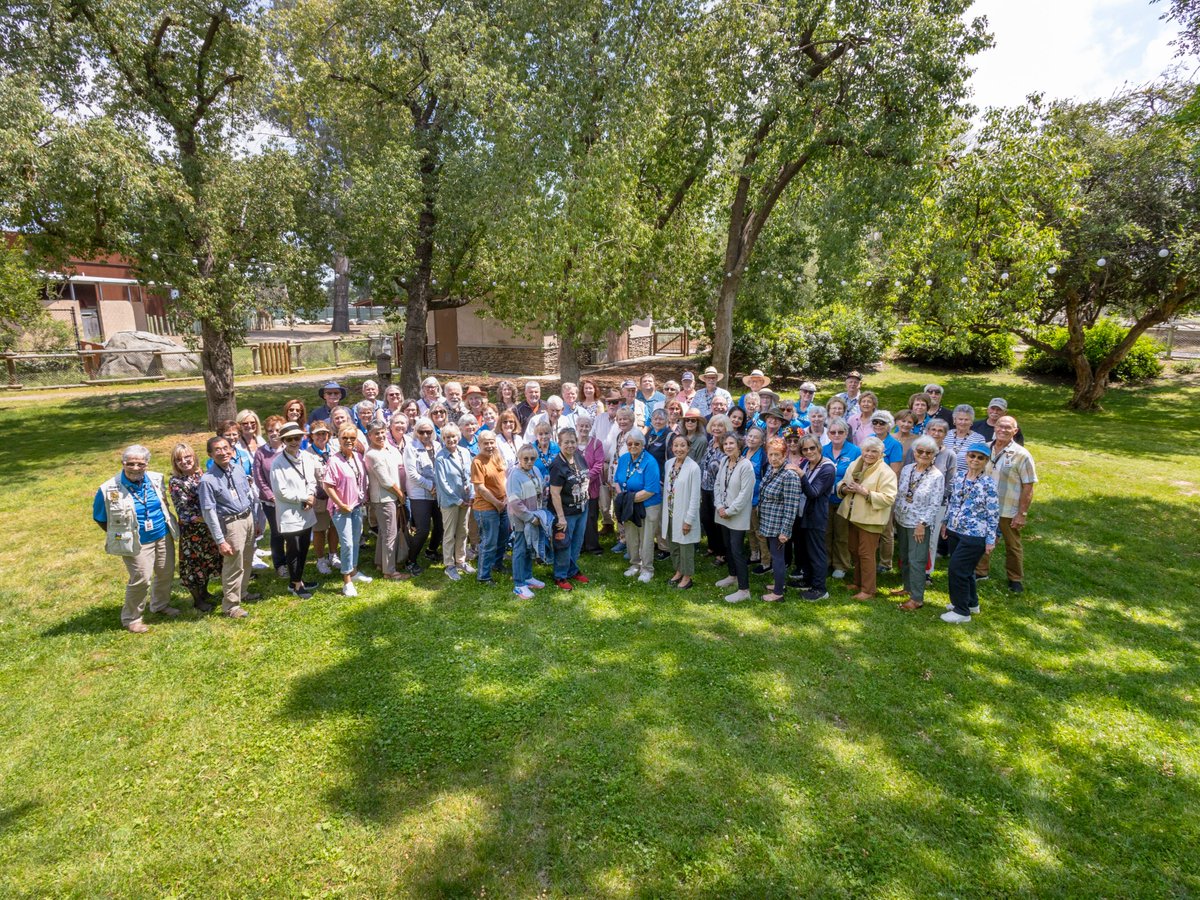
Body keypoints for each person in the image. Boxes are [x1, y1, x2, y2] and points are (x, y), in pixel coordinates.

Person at [95, 445, 180, 633]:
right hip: (136, 540)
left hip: (162, 533)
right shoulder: (108, 488)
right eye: (130, 463)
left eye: (140, 463)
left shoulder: (156, 479)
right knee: (141, 578)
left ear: (147, 464)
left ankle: (160, 605)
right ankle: (132, 618)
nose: (135, 467)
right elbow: (100, 517)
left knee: (166, 572)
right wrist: (120, 534)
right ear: (123, 463)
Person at [198, 435, 260, 619]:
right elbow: (209, 513)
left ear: (232, 450)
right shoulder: (207, 481)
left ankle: (243, 592)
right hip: (230, 524)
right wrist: (220, 540)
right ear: (210, 454)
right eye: (217, 449)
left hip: (247, 518)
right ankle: (231, 606)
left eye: (226, 448)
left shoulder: (238, 469)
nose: (223, 452)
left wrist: (255, 520)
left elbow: (249, 496)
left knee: (247, 559)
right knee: (234, 564)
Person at [978, 415, 1037, 592]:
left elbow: (1028, 486)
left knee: (1013, 545)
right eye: (1000, 426)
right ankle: (981, 571)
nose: (1003, 430)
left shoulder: (1022, 455)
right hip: (984, 506)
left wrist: (1022, 513)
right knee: (982, 539)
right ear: (995, 427)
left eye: (1008, 427)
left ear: (1015, 431)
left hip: (1007, 508)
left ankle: (1015, 578)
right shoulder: (985, 448)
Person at [836, 437, 898, 601]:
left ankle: (869, 590)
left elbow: (889, 498)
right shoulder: (856, 462)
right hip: (853, 515)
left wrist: (865, 492)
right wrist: (844, 488)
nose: (869, 454)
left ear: (881, 453)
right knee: (854, 550)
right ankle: (857, 582)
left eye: (874, 451)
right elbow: (842, 481)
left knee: (866, 554)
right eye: (866, 450)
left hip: (870, 519)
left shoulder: (886, 472)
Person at [942, 447, 1000, 623]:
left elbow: (993, 513)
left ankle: (961, 611)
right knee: (966, 572)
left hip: (975, 534)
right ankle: (971, 603)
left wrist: (990, 540)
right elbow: (952, 502)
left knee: (957, 570)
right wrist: (945, 522)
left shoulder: (988, 484)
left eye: (980, 458)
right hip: (954, 529)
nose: (975, 460)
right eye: (972, 456)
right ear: (966, 457)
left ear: (986, 461)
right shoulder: (959, 477)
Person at [891, 436, 946, 611]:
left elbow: (935, 503)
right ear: (914, 452)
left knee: (917, 560)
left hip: (918, 524)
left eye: (928, 452)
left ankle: (917, 598)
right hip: (902, 519)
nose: (923, 454)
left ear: (934, 455)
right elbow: (901, 493)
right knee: (905, 557)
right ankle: (908, 588)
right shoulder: (907, 469)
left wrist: (922, 524)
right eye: (920, 451)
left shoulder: (936, 476)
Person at [169, 443, 221, 613]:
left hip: (208, 528)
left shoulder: (202, 474)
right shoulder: (176, 481)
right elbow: (184, 511)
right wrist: (209, 518)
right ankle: (197, 600)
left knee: (208, 560)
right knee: (193, 565)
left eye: (187, 457)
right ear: (175, 463)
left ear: (194, 457)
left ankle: (204, 592)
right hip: (192, 531)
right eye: (179, 459)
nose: (184, 461)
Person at [270, 422, 320, 598]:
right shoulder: (278, 462)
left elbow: (312, 480)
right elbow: (280, 491)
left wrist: (311, 495)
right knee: (294, 548)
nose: (294, 441)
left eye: (297, 438)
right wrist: (303, 498)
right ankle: (296, 585)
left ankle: (297, 579)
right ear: (283, 440)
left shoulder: (307, 457)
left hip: (306, 509)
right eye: (289, 439)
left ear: (302, 438)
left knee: (305, 546)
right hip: (289, 513)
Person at [324, 426, 372, 596]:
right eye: (345, 438)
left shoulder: (358, 457)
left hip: (357, 506)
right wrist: (341, 504)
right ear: (338, 440)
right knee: (347, 544)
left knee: (356, 539)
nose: (349, 441)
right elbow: (327, 486)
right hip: (341, 509)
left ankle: (354, 571)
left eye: (352, 437)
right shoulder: (334, 460)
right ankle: (347, 581)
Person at [756, 438, 803, 603]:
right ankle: (779, 583)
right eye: (771, 454)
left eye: (777, 455)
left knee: (778, 557)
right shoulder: (771, 469)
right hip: (768, 521)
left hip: (779, 524)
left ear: (785, 455)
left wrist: (785, 530)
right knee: (776, 555)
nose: (774, 458)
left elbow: (791, 506)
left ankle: (778, 593)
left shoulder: (789, 475)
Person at [362, 420, 409, 582]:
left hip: (388, 497)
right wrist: (400, 495)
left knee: (384, 532)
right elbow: (386, 481)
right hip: (385, 498)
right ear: (369, 436)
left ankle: (380, 563)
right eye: (376, 433)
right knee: (390, 534)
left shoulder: (385, 449)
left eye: (382, 432)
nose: (381, 436)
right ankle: (390, 571)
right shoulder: (372, 454)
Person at [614, 430, 662, 583]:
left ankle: (647, 569)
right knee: (631, 535)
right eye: (630, 443)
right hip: (630, 504)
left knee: (646, 537)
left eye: (637, 444)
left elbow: (650, 490)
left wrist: (628, 499)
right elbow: (617, 481)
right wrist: (623, 498)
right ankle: (635, 564)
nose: (633, 446)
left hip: (648, 505)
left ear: (643, 445)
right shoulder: (623, 459)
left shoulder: (650, 461)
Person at [714, 433, 755, 603]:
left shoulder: (746, 466)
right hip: (723, 511)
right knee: (728, 547)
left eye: (732, 443)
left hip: (736, 514)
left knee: (737, 550)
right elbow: (717, 484)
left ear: (739, 445)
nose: (728, 446)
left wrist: (729, 510)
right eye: (726, 444)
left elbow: (745, 494)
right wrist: (719, 506)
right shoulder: (724, 461)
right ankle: (733, 575)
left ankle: (744, 589)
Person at [548, 426, 590, 590]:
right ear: (559, 443)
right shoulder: (557, 465)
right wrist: (561, 517)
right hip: (565, 512)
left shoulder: (578, 456)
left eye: (573, 441)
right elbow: (555, 494)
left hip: (582, 508)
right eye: (566, 442)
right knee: (563, 544)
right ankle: (560, 576)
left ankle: (572, 570)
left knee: (577, 543)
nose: (570, 445)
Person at [795, 435, 836, 601]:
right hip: (802, 513)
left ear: (819, 447)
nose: (809, 452)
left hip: (816, 516)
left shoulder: (827, 468)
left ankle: (820, 589)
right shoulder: (805, 463)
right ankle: (807, 580)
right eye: (805, 449)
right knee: (804, 550)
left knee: (816, 552)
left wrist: (801, 476)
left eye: (812, 448)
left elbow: (813, 492)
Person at [434, 423, 476, 581]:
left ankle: (461, 560)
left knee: (463, 531)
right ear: (443, 439)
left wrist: (471, 494)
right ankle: (449, 565)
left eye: (453, 436)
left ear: (458, 437)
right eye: (447, 437)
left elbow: (470, 474)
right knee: (450, 533)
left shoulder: (465, 452)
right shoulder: (440, 458)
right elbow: (442, 483)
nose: (451, 440)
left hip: (466, 499)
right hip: (450, 501)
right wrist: (458, 500)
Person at [506, 445, 548, 599]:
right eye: (526, 458)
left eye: (532, 458)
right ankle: (519, 584)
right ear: (519, 458)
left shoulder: (535, 470)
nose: (529, 461)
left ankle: (528, 577)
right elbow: (514, 502)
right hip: (521, 519)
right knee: (520, 548)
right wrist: (530, 517)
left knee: (530, 547)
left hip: (535, 517)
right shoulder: (514, 475)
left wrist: (539, 515)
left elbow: (540, 491)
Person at [403, 417, 443, 576]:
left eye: (429, 431)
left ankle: (431, 550)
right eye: (421, 432)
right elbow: (412, 474)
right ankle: (410, 560)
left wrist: (438, 487)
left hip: (437, 493)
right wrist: (430, 486)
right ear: (416, 432)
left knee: (440, 526)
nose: (426, 435)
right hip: (419, 494)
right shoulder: (410, 448)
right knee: (423, 529)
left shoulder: (438, 445)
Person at [662, 433, 701, 590]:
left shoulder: (693, 468)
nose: (679, 448)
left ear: (689, 448)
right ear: (672, 448)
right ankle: (678, 571)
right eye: (676, 445)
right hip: (670, 512)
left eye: (682, 445)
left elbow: (694, 496)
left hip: (685, 514)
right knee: (674, 544)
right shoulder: (669, 463)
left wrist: (688, 519)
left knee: (685, 546)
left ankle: (687, 576)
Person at [823, 418, 861, 580]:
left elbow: (859, 475)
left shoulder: (855, 451)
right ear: (828, 434)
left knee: (842, 534)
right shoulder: (823, 450)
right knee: (825, 532)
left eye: (840, 432)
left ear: (846, 433)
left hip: (844, 499)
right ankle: (825, 562)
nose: (836, 435)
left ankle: (841, 565)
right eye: (833, 432)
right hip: (824, 499)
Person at [471, 431, 509, 584]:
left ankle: (497, 564)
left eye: (491, 442)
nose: (489, 445)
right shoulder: (477, 462)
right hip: (486, 508)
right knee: (489, 542)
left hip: (502, 504)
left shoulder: (497, 456)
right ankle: (483, 576)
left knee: (503, 538)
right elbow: (480, 488)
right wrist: (497, 503)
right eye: (485, 443)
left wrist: (505, 498)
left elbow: (503, 478)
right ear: (479, 445)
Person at [870, 409, 904, 573]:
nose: (878, 425)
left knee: (886, 528)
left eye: (881, 422)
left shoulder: (894, 444)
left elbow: (895, 471)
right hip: (868, 490)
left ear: (889, 425)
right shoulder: (869, 440)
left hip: (884, 490)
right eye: (875, 422)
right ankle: (870, 558)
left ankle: (885, 563)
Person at [303, 421, 340, 574]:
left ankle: (333, 555)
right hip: (319, 499)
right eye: (317, 433)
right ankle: (320, 559)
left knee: (335, 527)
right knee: (319, 530)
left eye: (324, 433)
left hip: (336, 497)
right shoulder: (307, 455)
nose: (321, 436)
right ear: (311, 436)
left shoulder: (334, 451)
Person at [252, 415, 286, 577]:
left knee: (293, 532)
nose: (274, 433)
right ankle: (280, 564)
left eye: (278, 430)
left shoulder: (289, 449)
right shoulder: (260, 452)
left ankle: (294, 561)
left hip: (290, 500)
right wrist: (271, 496)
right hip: (271, 502)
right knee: (277, 532)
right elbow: (259, 478)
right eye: (270, 430)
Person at [699, 414, 732, 563]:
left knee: (718, 521)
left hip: (718, 489)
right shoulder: (710, 442)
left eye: (720, 426)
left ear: (726, 428)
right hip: (705, 487)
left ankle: (722, 552)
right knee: (706, 518)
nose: (716, 428)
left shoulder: (727, 445)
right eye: (714, 425)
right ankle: (712, 546)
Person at [604, 407, 636, 551]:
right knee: (619, 510)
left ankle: (630, 542)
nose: (622, 421)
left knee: (627, 511)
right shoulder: (619, 435)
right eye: (620, 419)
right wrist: (611, 478)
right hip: (616, 479)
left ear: (632, 420)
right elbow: (614, 457)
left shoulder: (634, 436)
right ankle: (622, 538)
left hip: (628, 481)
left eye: (625, 419)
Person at [577, 415, 605, 554]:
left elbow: (599, 464)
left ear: (590, 427)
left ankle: (592, 546)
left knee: (591, 516)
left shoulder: (596, 443)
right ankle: (579, 545)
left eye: (587, 426)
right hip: (574, 488)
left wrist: (586, 479)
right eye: (581, 425)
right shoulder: (572, 443)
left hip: (591, 487)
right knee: (577, 516)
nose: (584, 428)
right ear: (577, 426)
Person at [742, 427, 768, 568]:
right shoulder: (744, 451)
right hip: (744, 499)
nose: (751, 439)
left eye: (755, 437)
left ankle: (765, 561)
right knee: (749, 529)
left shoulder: (763, 456)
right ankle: (754, 554)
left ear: (762, 441)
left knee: (759, 532)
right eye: (750, 436)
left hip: (757, 500)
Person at [946, 404, 987, 469]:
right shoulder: (945, 435)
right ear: (954, 420)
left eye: (966, 420)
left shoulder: (979, 439)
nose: (963, 422)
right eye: (960, 419)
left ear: (971, 422)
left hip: (966, 476)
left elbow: (980, 461)